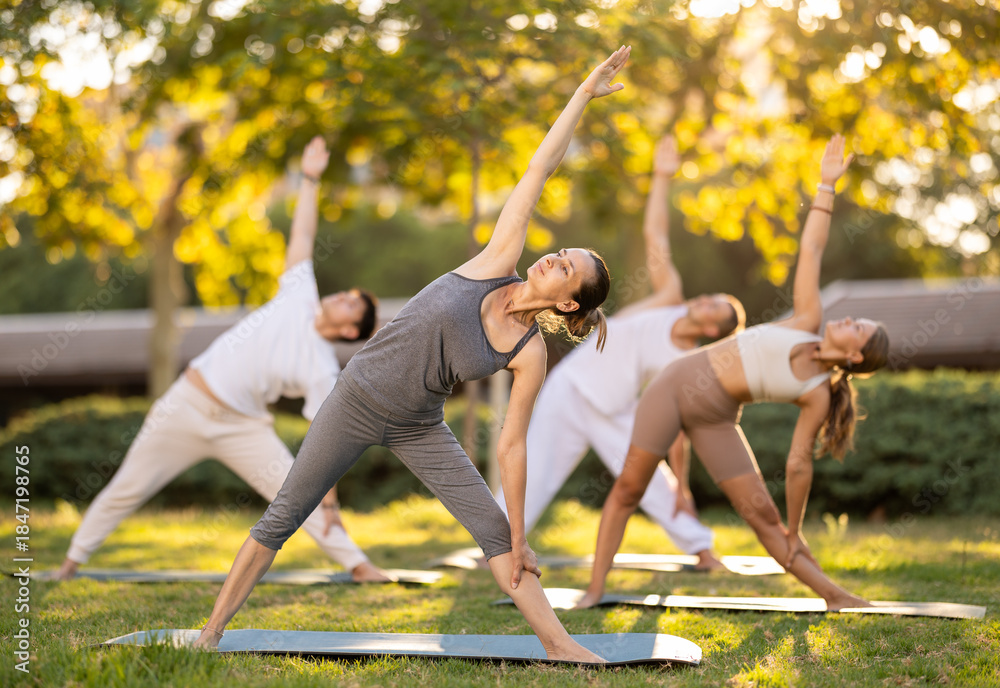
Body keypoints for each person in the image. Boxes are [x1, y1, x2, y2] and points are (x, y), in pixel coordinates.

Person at [192, 47, 632, 662]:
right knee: (283, 517)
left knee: (495, 533)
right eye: (563, 252)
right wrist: (582, 94)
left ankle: (559, 645)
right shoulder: (495, 262)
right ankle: (209, 635)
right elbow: (538, 172)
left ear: (567, 303)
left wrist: (519, 531)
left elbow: (511, 444)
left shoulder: (529, 353)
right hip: (356, 398)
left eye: (568, 269)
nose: (556, 258)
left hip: (419, 424)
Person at [576, 134, 890, 611]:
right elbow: (812, 251)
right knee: (628, 488)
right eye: (854, 318)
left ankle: (836, 596)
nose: (847, 321)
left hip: (716, 417)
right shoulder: (806, 319)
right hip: (675, 388)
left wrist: (796, 525)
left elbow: (798, 463)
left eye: (858, 329)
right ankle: (594, 590)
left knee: (763, 515)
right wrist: (826, 187)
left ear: (853, 358)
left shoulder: (819, 395)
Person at [56, 137, 390, 583]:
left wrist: (329, 500)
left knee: (298, 496)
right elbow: (304, 234)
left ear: (351, 330)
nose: (342, 297)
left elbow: (326, 437)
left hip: (243, 428)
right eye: (347, 293)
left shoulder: (322, 368)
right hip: (186, 405)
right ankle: (69, 564)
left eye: (352, 305)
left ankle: (362, 567)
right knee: (126, 486)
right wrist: (309, 178)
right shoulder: (298, 294)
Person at [493, 134, 745, 571]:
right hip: (571, 387)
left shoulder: (684, 362)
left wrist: (683, 485)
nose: (701, 299)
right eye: (708, 296)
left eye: (711, 307)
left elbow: (678, 434)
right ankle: (494, 547)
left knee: (653, 480)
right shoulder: (669, 296)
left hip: (613, 409)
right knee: (532, 467)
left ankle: (704, 552)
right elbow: (654, 233)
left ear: (710, 329)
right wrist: (662, 176)